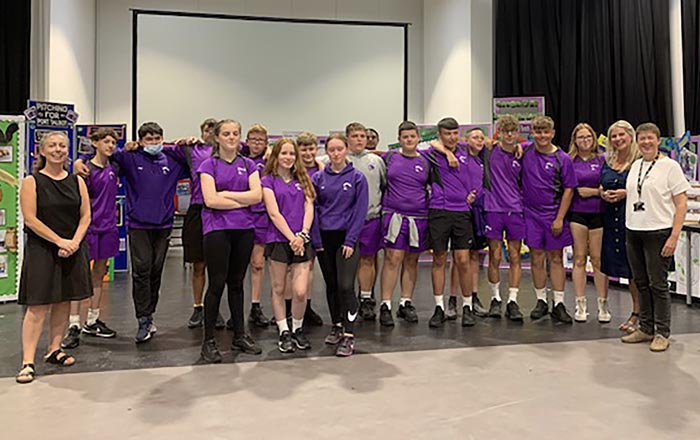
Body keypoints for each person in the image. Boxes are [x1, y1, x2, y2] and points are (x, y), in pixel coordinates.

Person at [74, 122, 188, 343]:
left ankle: (150, 314)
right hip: (138, 225)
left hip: (163, 225)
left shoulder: (172, 161)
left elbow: (197, 159)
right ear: (141, 140)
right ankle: (143, 319)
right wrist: (80, 161)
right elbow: (101, 152)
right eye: (149, 139)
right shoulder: (130, 157)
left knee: (155, 272)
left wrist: (183, 143)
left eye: (157, 139)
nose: (153, 143)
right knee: (141, 271)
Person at [16, 132, 92, 384]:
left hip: (72, 247)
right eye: (52, 145)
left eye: (62, 145)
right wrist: (60, 241)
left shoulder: (77, 181)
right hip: (43, 250)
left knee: (63, 301)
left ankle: (54, 349)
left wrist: (74, 243)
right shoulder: (32, 181)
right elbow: (31, 219)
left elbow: (85, 216)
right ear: (43, 151)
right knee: (38, 305)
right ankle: (28, 361)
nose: (58, 149)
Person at [621, 123, 689, 352]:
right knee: (641, 282)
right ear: (637, 142)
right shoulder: (636, 165)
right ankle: (645, 327)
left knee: (658, 284)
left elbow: (681, 204)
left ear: (658, 140)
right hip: (634, 230)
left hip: (658, 232)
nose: (646, 142)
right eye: (642, 139)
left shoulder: (670, 167)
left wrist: (674, 236)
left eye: (650, 138)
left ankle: (662, 332)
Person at [199, 119, 263, 362]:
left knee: (237, 283)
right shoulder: (208, 165)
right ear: (217, 137)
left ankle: (239, 334)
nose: (231, 137)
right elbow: (210, 200)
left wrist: (226, 194)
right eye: (226, 134)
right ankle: (208, 342)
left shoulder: (248, 164)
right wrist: (240, 200)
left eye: (235, 133)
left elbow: (257, 196)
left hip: (244, 229)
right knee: (216, 283)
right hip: (217, 229)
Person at [62, 128, 119, 350]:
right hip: (88, 229)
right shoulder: (84, 171)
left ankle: (93, 320)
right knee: (80, 275)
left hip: (108, 228)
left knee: (100, 272)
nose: (111, 145)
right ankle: (74, 323)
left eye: (113, 142)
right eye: (106, 141)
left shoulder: (115, 167)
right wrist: (79, 160)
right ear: (95, 143)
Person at [312, 133, 369, 357]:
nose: (335, 154)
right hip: (325, 239)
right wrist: (316, 241)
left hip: (347, 239)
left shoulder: (357, 178)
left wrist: (350, 240)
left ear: (346, 150)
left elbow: (360, 211)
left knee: (346, 286)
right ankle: (336, 325)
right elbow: (315, 210)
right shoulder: (318, 178)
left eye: (339, 149)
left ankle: (349, 334)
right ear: (327, 152)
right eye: (331, 150)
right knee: (332, 285)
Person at [521, 116, 577, 323]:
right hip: (531, 215)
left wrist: (560, 218)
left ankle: (559, 303)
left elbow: (569, 189)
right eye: (538, 132)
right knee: (536, 257)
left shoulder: (563, 159)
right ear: (533, 133)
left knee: (555, 258)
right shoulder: (525, 152)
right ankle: (541, 301)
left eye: (546, 132)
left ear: (552, 133)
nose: (542, 135)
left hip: (553, 214)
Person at [423, 117, 477, 328]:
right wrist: (446, 152)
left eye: (455, 133)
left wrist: (473, 193)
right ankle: (439, 307)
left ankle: (467, 306)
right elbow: (413, 146)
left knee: (463, 260)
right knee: (439, 259)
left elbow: (495, 144)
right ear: (440, 134)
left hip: (462, 212)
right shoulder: (432, 154)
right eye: (447, 133)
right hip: (439, 211)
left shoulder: (467, 150)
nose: (452, 137)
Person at [262, 138, 315, 352]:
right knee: (278, 288)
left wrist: (302, 235)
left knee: (300, 291)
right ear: (276, 155)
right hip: (279, 240)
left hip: (302, 240)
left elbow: (309, 207)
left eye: (292, 154)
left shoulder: (303, 179)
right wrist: (291, 238)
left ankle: (297, 328)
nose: (288, 157)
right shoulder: (267, 181)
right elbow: (274, 213)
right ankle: (284, 330)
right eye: (284, 153)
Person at [378, 121, 430, 327]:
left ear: (418, 138)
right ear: (399, 139)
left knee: (411, 260)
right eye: (404, 137)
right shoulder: (390, 157)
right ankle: (385, 304)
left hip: (418, 217)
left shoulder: (426, 161)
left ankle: (405, 302)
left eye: (412, 136)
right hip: (394, 215)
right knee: (393, 258)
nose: (409, 140)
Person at [181, 118, 226, 329]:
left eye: (214, 130)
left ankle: (214, 308)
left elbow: (258, 147)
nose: (210, 133)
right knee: (198, 264)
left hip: (220, 210)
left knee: (217, 266)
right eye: (206, 130)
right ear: (202, 132)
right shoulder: (192, 149)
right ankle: (198, 307)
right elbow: (165, 146)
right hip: (198, 209)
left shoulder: (229, 151)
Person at [483, 115, 525, 321]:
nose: (509, 135)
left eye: (513, 131)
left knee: (515, 256)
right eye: (505, 131)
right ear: (499, 132)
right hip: (493, 208)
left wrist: (521, 147)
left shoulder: (522, 155)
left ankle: (513, 301)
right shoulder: (489, 151)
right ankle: (495, 298)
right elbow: (463, 141)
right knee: (495, 256)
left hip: (515, 209)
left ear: (518, 133)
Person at [600, 120, 641, 332]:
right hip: (611, 219)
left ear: (631, 136)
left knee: (637, 270)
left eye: (621, 135)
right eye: (613, 136)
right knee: (626, 270)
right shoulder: (609, 160)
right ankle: (637, 311)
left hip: (634, 220)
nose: (617, 139)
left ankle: (641, 313)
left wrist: (626, 193)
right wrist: (602, 192)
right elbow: (603, 182)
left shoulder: (640, 160)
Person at [567, 123, 610, 323]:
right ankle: (580, 304)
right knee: (579, 258)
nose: (584, 140)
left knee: (598, 259)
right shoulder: (569, 160)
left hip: (598, 213)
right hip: (577, 214)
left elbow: (606, 187)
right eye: (580, 137)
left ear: (593, 139)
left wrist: (592, 192)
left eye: (588, 137)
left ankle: (603, 304)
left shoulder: (602, 160)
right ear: (575, 140)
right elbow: (570, 189)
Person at [344, 123, 386, 321]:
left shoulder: (376, 161)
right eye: (355, 136)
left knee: (368, 259)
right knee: (345, 261)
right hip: (345, 221)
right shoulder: (336, 159)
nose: (360, 139)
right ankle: (346, 297)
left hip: (370, 218)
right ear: (348, 139)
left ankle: (366, 298)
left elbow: (383, 186)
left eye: (362, 136)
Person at [446, 128, 489, 319]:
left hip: (479, 211)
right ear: (466, 140)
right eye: (475, 137)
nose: (479, 140)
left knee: (474, 257)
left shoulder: (483, 159)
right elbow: (434, 144)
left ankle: (473, 296)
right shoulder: (459, 153)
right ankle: (453, 299)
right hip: (460, 211)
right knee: (458, 258)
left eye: (481, 137)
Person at [244, 124, 272, 328]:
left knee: (258, 264)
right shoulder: (239, 159)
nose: (256, 143)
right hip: (241, 214)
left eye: (260, 140)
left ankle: (255, 305)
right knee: (235, 267)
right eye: (252, 139)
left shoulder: (270, 161)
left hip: (261, 216)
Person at [295, 132, 325, 326]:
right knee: (294, 268)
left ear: (317, 149)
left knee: (310, 266)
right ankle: (291, 307)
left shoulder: (323, 170)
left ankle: (306, 306)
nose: (307, 152)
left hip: (318, 223)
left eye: (311, 148)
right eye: (303, 149)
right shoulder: (293, 169)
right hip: (297, 221)